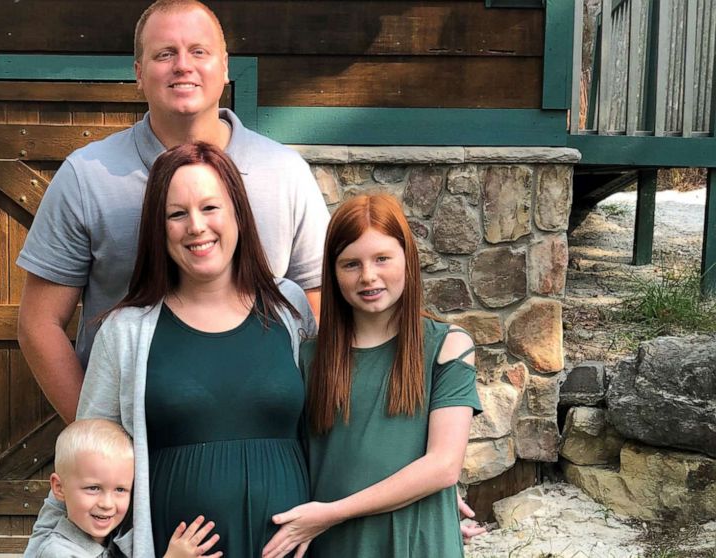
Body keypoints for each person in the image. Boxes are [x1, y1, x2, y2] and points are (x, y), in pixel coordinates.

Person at [16, 0, 328, 423]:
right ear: (139, 72)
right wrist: (98, 442)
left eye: (199, 52)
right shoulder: (87, 177)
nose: (183, 66)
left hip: (261, 438)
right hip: (132, 445)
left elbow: (319, 312)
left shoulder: (284, 173)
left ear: (225, 66)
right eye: (165, 54)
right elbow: (40, 324)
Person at [73, 142, 317, 557]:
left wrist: (416, 493)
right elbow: (86, 461)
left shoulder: (290, 309)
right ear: (159, 228)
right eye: (177, 213)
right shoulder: (126, 331)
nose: (196, 226)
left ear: (238, 212)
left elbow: (343, 419)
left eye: (210, 207)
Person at [262, 194, 483, 558]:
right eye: (350, 264)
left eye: (382, 258)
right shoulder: (309, 358)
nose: (368, 276)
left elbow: (443, 466)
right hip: (336, 544)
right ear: (332, 273)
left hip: (415, 541)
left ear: (407, 260)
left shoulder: (448, 346)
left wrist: (332, 513)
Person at [40, 419, 221, 558]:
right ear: (59, 488)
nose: (107, 503)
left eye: (120, 490)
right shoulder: (57, 552)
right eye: (93, 488)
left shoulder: (114, 544)